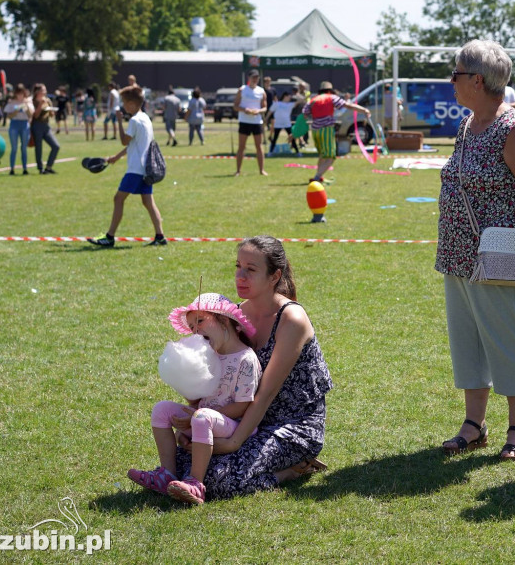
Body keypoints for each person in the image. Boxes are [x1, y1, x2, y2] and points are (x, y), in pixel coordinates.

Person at [437, 40, 515, 460]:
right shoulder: (468, 125)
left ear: (478, 80)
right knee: (467, 341)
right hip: (457, 252)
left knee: (505, 338)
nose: (451, 81)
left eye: (456, 74)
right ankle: (474, 425)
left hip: (498, 253)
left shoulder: (514, 130)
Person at [170, 236, 333, 499]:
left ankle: (291, 471)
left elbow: (266, 393)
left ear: (274, 276)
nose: (240, 276)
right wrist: (194, 418)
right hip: (242, 419)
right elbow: (218, 377)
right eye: (238, 266)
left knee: (218, 480)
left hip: (292, 425)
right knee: (183, 463)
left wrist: (234, 442)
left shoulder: (291, 319)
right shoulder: (233, 316)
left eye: (251, 269)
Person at [128, 293, 263, 505]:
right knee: (161, 409)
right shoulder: (208, 356)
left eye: (200, 321)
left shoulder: (245, 359)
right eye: (192, 327)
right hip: (201, 418)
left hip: (232, 425)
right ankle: (167, 473)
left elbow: (242, 406)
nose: (196, 331)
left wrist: (195, 416)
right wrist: (190, 399)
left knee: (202, 417)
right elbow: (197, 400)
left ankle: (195, 484)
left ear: (225, 320)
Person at [86, 85, 166, 248]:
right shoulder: (146, 119)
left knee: (118, 199)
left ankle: (109, 237)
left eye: (124, 101)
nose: (122, 105)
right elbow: (134, 144)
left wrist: (119, 122)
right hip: (146, 169)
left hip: (136, 169)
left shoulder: (134, 120)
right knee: (148, 203)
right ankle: (160, 236)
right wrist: (116, 157)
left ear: (131, 103)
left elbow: (124, 140)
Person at [303, 81, 371, 184]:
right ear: (330, 90)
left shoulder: (313, 100)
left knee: (322, 154)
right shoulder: (332, 97)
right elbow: (348, 105)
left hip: (315, 130)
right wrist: (364, 110)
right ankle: (317, 177)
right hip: (326, 130)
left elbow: (304, 114)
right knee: (331, 156)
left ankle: (319, 176)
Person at [233, 69, 268, 176]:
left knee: (259, 146)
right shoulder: (242, 90)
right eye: (253, 77)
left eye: (257, 77)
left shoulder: (261, 91)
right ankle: (238, 170)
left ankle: (261, 170)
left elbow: (265, 107)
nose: (255, 79)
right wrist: (245, 110)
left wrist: (258, 111)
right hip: (244, 121)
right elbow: (235, 106)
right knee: (241, 146)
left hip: (256, 122)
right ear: (249, 78)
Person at [29, 83, 60, 174]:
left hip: (46, 126)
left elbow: (51, 115)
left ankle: (49, 167)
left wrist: (51, 110)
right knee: (39, 148)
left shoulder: (47, 100)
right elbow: (35, 115)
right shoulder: (33, 101)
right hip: (37, 125)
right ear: (38, 92)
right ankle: (40, 168)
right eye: (43, 90)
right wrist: (40, 105)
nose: (45, 92)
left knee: (56, 146)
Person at [4, 83, 32, 174]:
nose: (20, 95)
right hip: (14, 124)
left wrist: (26, 108)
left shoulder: (27, 101)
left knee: (24, 148)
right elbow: (9, 116)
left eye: (21, 93)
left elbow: (30, 115)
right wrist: (15, 111)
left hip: (24, 124)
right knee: (14, 148)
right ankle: (12, 169)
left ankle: (25, 168)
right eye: (18, 93)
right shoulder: (12, 102)